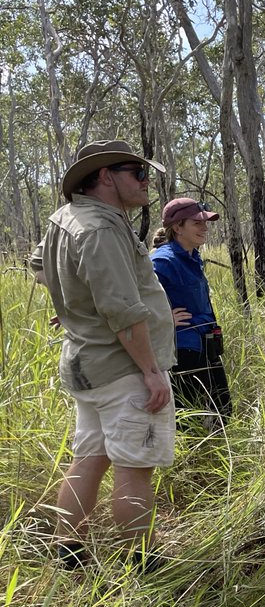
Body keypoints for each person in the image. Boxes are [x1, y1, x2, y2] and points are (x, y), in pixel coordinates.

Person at [28, 139, 176, 571]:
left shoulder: (66, 218)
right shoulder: (102, 228)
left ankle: (69, 556)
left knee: (89, 459)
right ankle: (145, 566)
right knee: (135, 467)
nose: (146, 183)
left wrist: (73, 305)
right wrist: (150, 371)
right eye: (139, 173)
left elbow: (40, 267)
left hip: (86, 365)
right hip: (122, 367)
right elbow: (122, 310)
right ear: (106, 176)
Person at [151, 197, 232, 427]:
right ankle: (191, 460)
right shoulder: (162, 261)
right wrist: (164, 319)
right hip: (184, 350)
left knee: (222, 408)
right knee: (189, 416)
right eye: (197, 223)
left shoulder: (192, 256)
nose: (204, 227)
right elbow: (132, 297)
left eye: (205, 222)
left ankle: (211, 455)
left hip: (206, 344)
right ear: (177, 227)